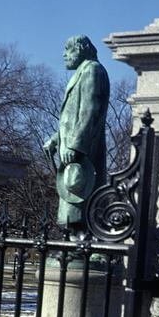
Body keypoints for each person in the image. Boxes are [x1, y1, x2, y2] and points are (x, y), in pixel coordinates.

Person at [43, 35, 110, 233]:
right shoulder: (83, 71)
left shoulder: (92, 70)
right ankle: (76, 241)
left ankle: (82, 241)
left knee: (81, 206)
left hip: (82, 152)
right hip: (73, 150)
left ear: (80, 49)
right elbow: (70, 117)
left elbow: (89, 111)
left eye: (68, 49)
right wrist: (55, 140)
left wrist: (74, 145)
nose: (64, 54)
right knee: (73, 209)